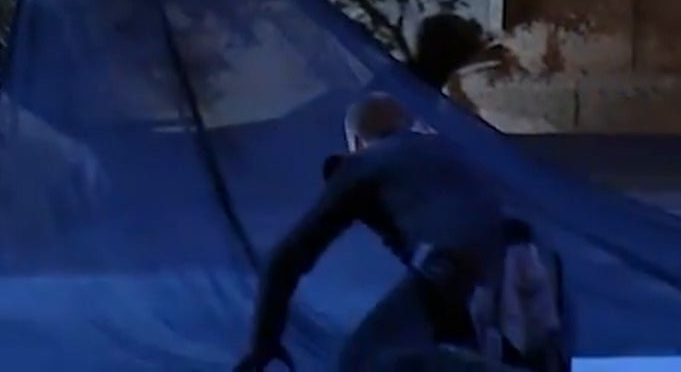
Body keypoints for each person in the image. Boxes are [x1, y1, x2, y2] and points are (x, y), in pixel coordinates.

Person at [237, 93, 568, 372]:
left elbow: (286, 258)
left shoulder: (364, 162)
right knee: (456, 348)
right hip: (534, 261)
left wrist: (263, 343)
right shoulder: (446, 148)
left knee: (363, 362)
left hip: (459, 265)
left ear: (356, 142)